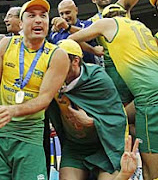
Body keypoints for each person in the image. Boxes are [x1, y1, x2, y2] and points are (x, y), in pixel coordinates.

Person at [0, 0, 69, 179]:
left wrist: (13, 110)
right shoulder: (7, 44)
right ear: (21, 23)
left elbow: (44, 99)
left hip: (28, 136)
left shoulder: (57, 55)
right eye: (31, 16)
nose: (38, 20)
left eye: (43, 16)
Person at [68, 4, 158, 180]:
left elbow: (72, 39)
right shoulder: (142, 28)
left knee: (151, 172)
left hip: (150, 99)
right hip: (149, 93)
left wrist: (94, 50)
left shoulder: (108, 23)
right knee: (121, 117)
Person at [49, 39, 127, 180]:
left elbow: (118, 118)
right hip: (75, 148)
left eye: (62, 62)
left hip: (104, 147)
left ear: (76, 61)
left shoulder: (98, 79)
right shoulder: (51, 80)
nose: (57, 67)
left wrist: (92, 122)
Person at [49, 0, 99, 64]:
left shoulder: (88, 24)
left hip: (90, 69)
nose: (65, 17)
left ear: (76, 10)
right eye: (61, 14)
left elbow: (90, 34)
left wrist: (68, 27)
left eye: (67, 13)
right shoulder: (55, 33)